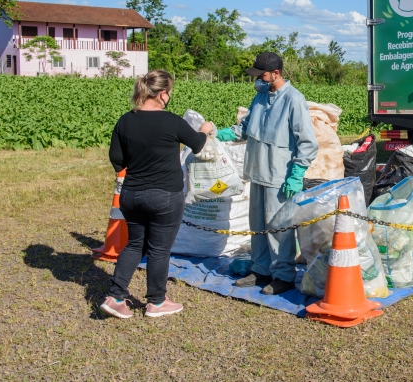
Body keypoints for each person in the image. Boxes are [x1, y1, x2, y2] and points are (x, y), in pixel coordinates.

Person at [101, 70, 215, 319]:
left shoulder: (125, 120)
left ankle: (116, 296)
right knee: (159, 250)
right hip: (165, 195)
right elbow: (197, 144)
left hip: (131, 194)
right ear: (163, 94)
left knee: (134, 244)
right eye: (170, 93)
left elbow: (117, 160)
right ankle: (156, 301)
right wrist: (205, 130)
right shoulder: (172, 121)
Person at [216, 51, 318, 295]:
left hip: (280, 177)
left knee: (278, 228)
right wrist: (219, 135)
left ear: (276, 73)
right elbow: (246, 128)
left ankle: (282, 275)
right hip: (257, 171)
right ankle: (261, 269)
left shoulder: (293, 99)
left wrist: (296, 174)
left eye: (262, 75)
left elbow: (307, 142)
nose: (258, 79)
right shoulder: (260, 97)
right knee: (258, 225)